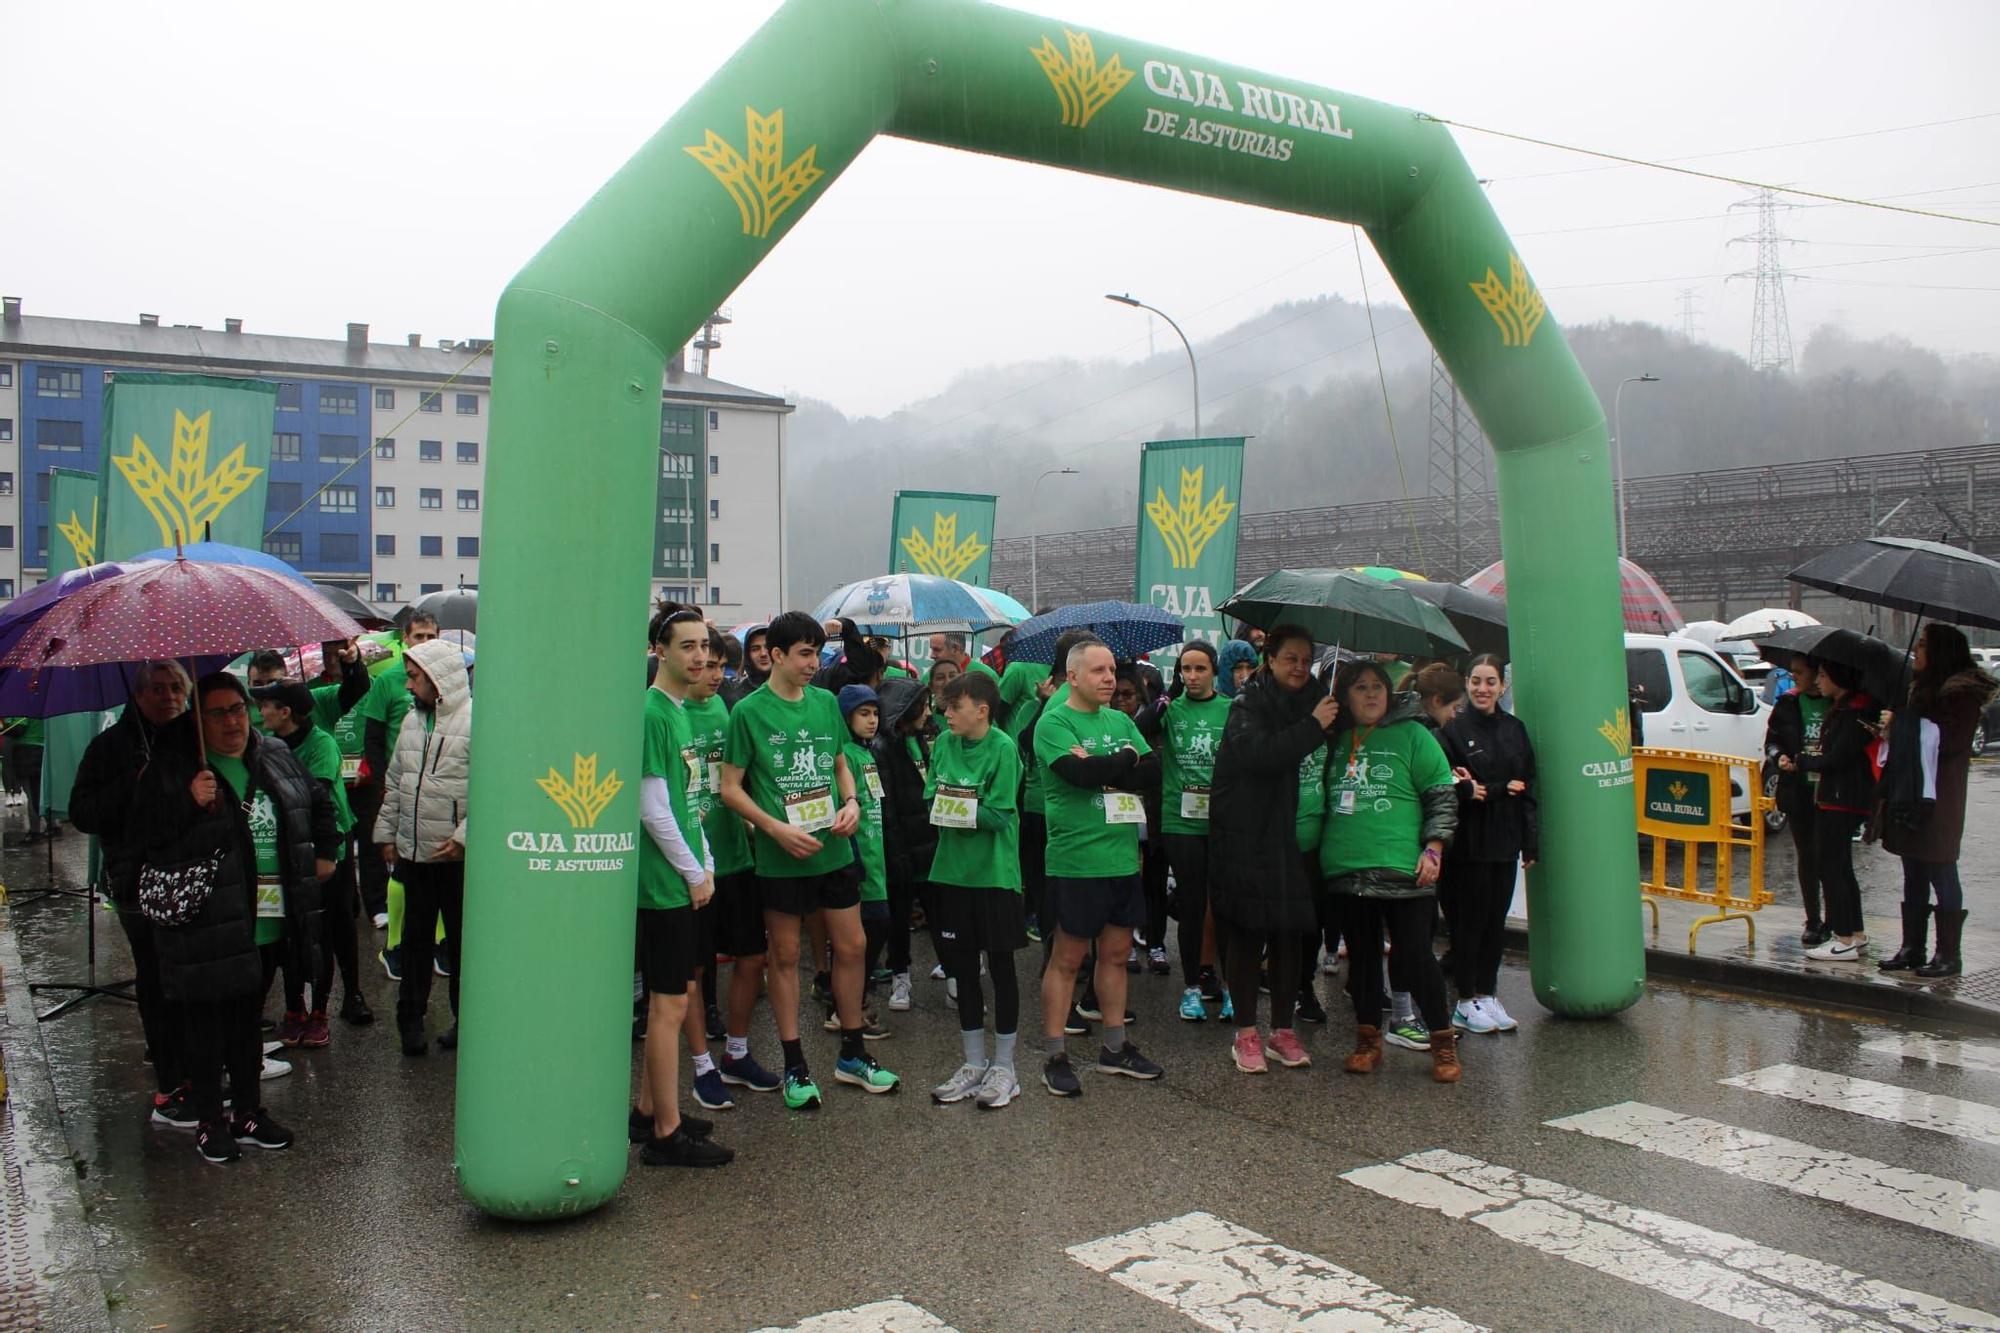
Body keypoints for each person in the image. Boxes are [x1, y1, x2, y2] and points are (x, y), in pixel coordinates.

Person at [145, 672, 333, 1162]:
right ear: (198, 720)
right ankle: (211, 1121)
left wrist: (326, 852)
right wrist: (188, 803)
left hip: (268, 916)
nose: (232, 721)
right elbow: (145, 835)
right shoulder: (174, 765)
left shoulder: (272, 754)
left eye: (238, 709)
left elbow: (316, 801)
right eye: (218, 713)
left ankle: (249, 1113)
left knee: (249, 1022)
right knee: (206, 1028)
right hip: (210, 919)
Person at [720, 611, 898, 1109]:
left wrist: (852, 803)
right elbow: (731, 789)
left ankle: (853, 1053)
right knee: (784, 955)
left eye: (817, 653)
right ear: (775, 655)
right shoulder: (749, 712)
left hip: (834, 849)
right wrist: (774, 829)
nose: (813, 663)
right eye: (803, 653)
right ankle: (795, 1065)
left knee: (854, 945)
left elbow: (840, 762)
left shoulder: (824, 702)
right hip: (781, 857)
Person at [1320, 660, 1462, 1083]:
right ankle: (1367, 1042)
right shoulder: (1333, 739)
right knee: (1362, 962)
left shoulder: (1415, 735)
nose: (1370, 695)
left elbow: (1441, 796)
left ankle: (1442, 1042)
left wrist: (1433, 849)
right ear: (1345, 696)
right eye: (1360, 688)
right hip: (1347, 869)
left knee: (1416, 957)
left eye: (1377, 687)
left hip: (1405, 870)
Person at [70, 660, 199, 1125]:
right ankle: (170, 1083)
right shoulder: (111, 747)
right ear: (139, 695)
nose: (168, 697)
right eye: (158, 689)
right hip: (136, 880)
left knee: (189, 977)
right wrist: (133, 784)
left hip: (193, 874)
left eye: (175, 688)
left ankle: (194, 1069)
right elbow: (82, 812)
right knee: (157, 976)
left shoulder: (194, 740)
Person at [1034, 640, 1165, 1096]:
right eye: (1098, 671)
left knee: (1114, 955)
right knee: (1068, 958)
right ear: (1072, 677)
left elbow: (1153, 772)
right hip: (1076, 860)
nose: (1110, 678)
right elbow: (1078, 774)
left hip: (1122, 857)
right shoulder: (1054, 722)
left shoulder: (1122, 719)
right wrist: (1124, 759)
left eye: (1111, 670)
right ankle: (1054, 1054)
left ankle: (1115, 1047)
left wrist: (1113, 765)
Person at [630, 603, 734, 1167]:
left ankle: (650, 1112)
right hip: (663, 883)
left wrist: (707, 859)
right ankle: (666, 1134)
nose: (699, 657)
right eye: (687, 646)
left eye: (704, 647)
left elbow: (687, 800)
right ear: (660, 650)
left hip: (685, 874)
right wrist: (693, 872)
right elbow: (650, 806)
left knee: (676, 999)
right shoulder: (652, 713)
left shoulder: (676, 710)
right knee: (668, 1006)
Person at [1208, 626, 1338, 1074]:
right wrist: (1313, 726)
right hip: (1243, 833)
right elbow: (1260, 755)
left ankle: (1282, 1029)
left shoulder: (1318, 698)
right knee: (1247, 931)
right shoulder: (1250, 701)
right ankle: (1245, 1033)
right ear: (1271, 658)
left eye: (1306, 659)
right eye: (1290, 659)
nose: (1299, 668)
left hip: (1290, 835)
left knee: (1290, 932)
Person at [683, 629, 779, 1104]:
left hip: (736, 858)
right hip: (691, 866)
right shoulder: (668, 713)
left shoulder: (730, 709)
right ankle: (702, 1066)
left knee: (751, 957)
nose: (711, 673)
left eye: (719, 666)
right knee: (694, 970)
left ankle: (736, 1053)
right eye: (703, 663)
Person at [924, 671, 1027, 1109]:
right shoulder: (944, 744)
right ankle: (973, 1063)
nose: (946, 714)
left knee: (1001, 968)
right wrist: (964, 806)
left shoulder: (1004, 749)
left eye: (955, 707)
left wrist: (954, 807)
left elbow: (999, 816)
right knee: (962, 971)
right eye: (944, 706)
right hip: (950, 874)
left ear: (981, 710)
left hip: (995, 876)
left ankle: (1005, 1067)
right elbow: (930, 800)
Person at [253, 682, 369, 1042]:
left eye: (267, 706)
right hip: (286, 850)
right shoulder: (265, 745)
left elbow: (313, 798)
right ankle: (293, 1008)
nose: (260, 713)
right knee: (290, 934)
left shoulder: (323, 745)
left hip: (326, 847)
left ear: (285, 712)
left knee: (328, 931)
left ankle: (328, 1006)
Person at [1877, 623, 1996, 976]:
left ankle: (1948, 955)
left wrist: (1902, 724)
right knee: (1912, 868)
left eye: (1924, 645)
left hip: (1940, 795)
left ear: (1941, 651)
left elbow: (1948, 742)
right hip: (1911, 791)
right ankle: (1912, 947)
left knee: (1941, 869)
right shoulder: (1920, 689)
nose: (1917, 650)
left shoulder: (1961, 695)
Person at [373, 639, 472, 1054]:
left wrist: (465, 838)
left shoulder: (476, 721)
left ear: (438, 678)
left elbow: (494, 789)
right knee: (414, 943)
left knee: (463, 946)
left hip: (454, 859)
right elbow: (396, 780)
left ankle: (465, 1024)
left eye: (414, 677)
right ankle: (409, 1024)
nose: (409, 686)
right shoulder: (413, 722)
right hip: (415, 855)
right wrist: (386, 833)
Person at [1437, 655, 1536, 1035]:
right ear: (1466, 682)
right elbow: (1455, 787)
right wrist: (1496, 789)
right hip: (1467, 843)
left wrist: (1531, 843)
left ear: (1503, 687)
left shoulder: (1515, 729)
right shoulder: (1453, 730)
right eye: (1476, 681)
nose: (1483, 689)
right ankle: (1465, 999)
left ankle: (1488, 992)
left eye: (1491, 682)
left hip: (1505, 841)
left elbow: (1527, 786)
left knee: (1496, 922)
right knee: (1468, 922)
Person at [1147, 642, 1234, 1023]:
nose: (1193, 676)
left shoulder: (1231, 709)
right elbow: (1140, 729)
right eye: (1186, 669)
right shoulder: (1172, 708)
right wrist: (1166, 697)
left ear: (1214, 671)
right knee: (1193, 905)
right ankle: (1192, 989)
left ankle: (1232, 989)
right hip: (1179, 821)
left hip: (1221, 822)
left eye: (1200, 669)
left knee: (1226, 905)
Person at [1782, 659, 1874, 963]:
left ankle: (1843, 937)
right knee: (1840, 866)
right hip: (1835, 796)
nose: (1818, 681)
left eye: (1823, 675)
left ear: (1839, 678)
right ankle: (1855, 934)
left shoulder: (1853, 713)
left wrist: (1805, 761)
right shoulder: (1846, 709)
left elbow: (1837, 759)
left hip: (1841, 797)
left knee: (1831, 865)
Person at [359, 612, 441, 938]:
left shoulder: (449, 681)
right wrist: (382, 782)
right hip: (396, 783)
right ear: (405, 639)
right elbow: (374, 737)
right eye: (418, 636)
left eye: (430, 636)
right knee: (386, 848)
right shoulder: (388, 680)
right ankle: (383, 914)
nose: (423, 643)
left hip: (435, 785)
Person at [872, 676, 936, 1013]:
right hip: (901, 848)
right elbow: (888, 808)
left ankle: (953, 971)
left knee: (940, 912)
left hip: (930, 840)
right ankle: (901, 975)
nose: (928, 712)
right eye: (922, 706)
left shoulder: (927, 737)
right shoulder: (884, 748)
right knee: (898, 917)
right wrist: (897, 854)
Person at [836, 684, 892, 1039]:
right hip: (859, 857)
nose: (871, 721)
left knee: (876, 928)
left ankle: (854, 1001)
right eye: (863, 714)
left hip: (877, 855)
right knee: (868, 932)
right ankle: (846, 1007)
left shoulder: (868, 753)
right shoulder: (846, 754)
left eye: (875, 714)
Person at [1765, 652, 1829, 947]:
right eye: (1791, 672)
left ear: (1818, 673)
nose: (1794, 678)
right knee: (1807, 854)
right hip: (1797, 788)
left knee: (1829, 855)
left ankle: (1838, 919)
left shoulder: (1837, 702)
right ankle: (1813, 919)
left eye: (1799, 672)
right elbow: (1772, 741)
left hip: (1829, 789)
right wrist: (1779, 757)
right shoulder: (1788, 703)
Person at [2, 715, 48, 839]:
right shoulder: (43, 703)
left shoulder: (22, 704)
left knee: (31, 793)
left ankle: (35, 831)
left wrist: (3, 728)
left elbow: (20, 728)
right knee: (41, 791)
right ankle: (53, 825)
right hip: (41, 746)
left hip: (26, 749)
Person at [723, 624, 771, 705]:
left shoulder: (792, 689)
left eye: (768, 647)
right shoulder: (737, 695)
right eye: (755, 649)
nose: (763, 654)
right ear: (747, 655)